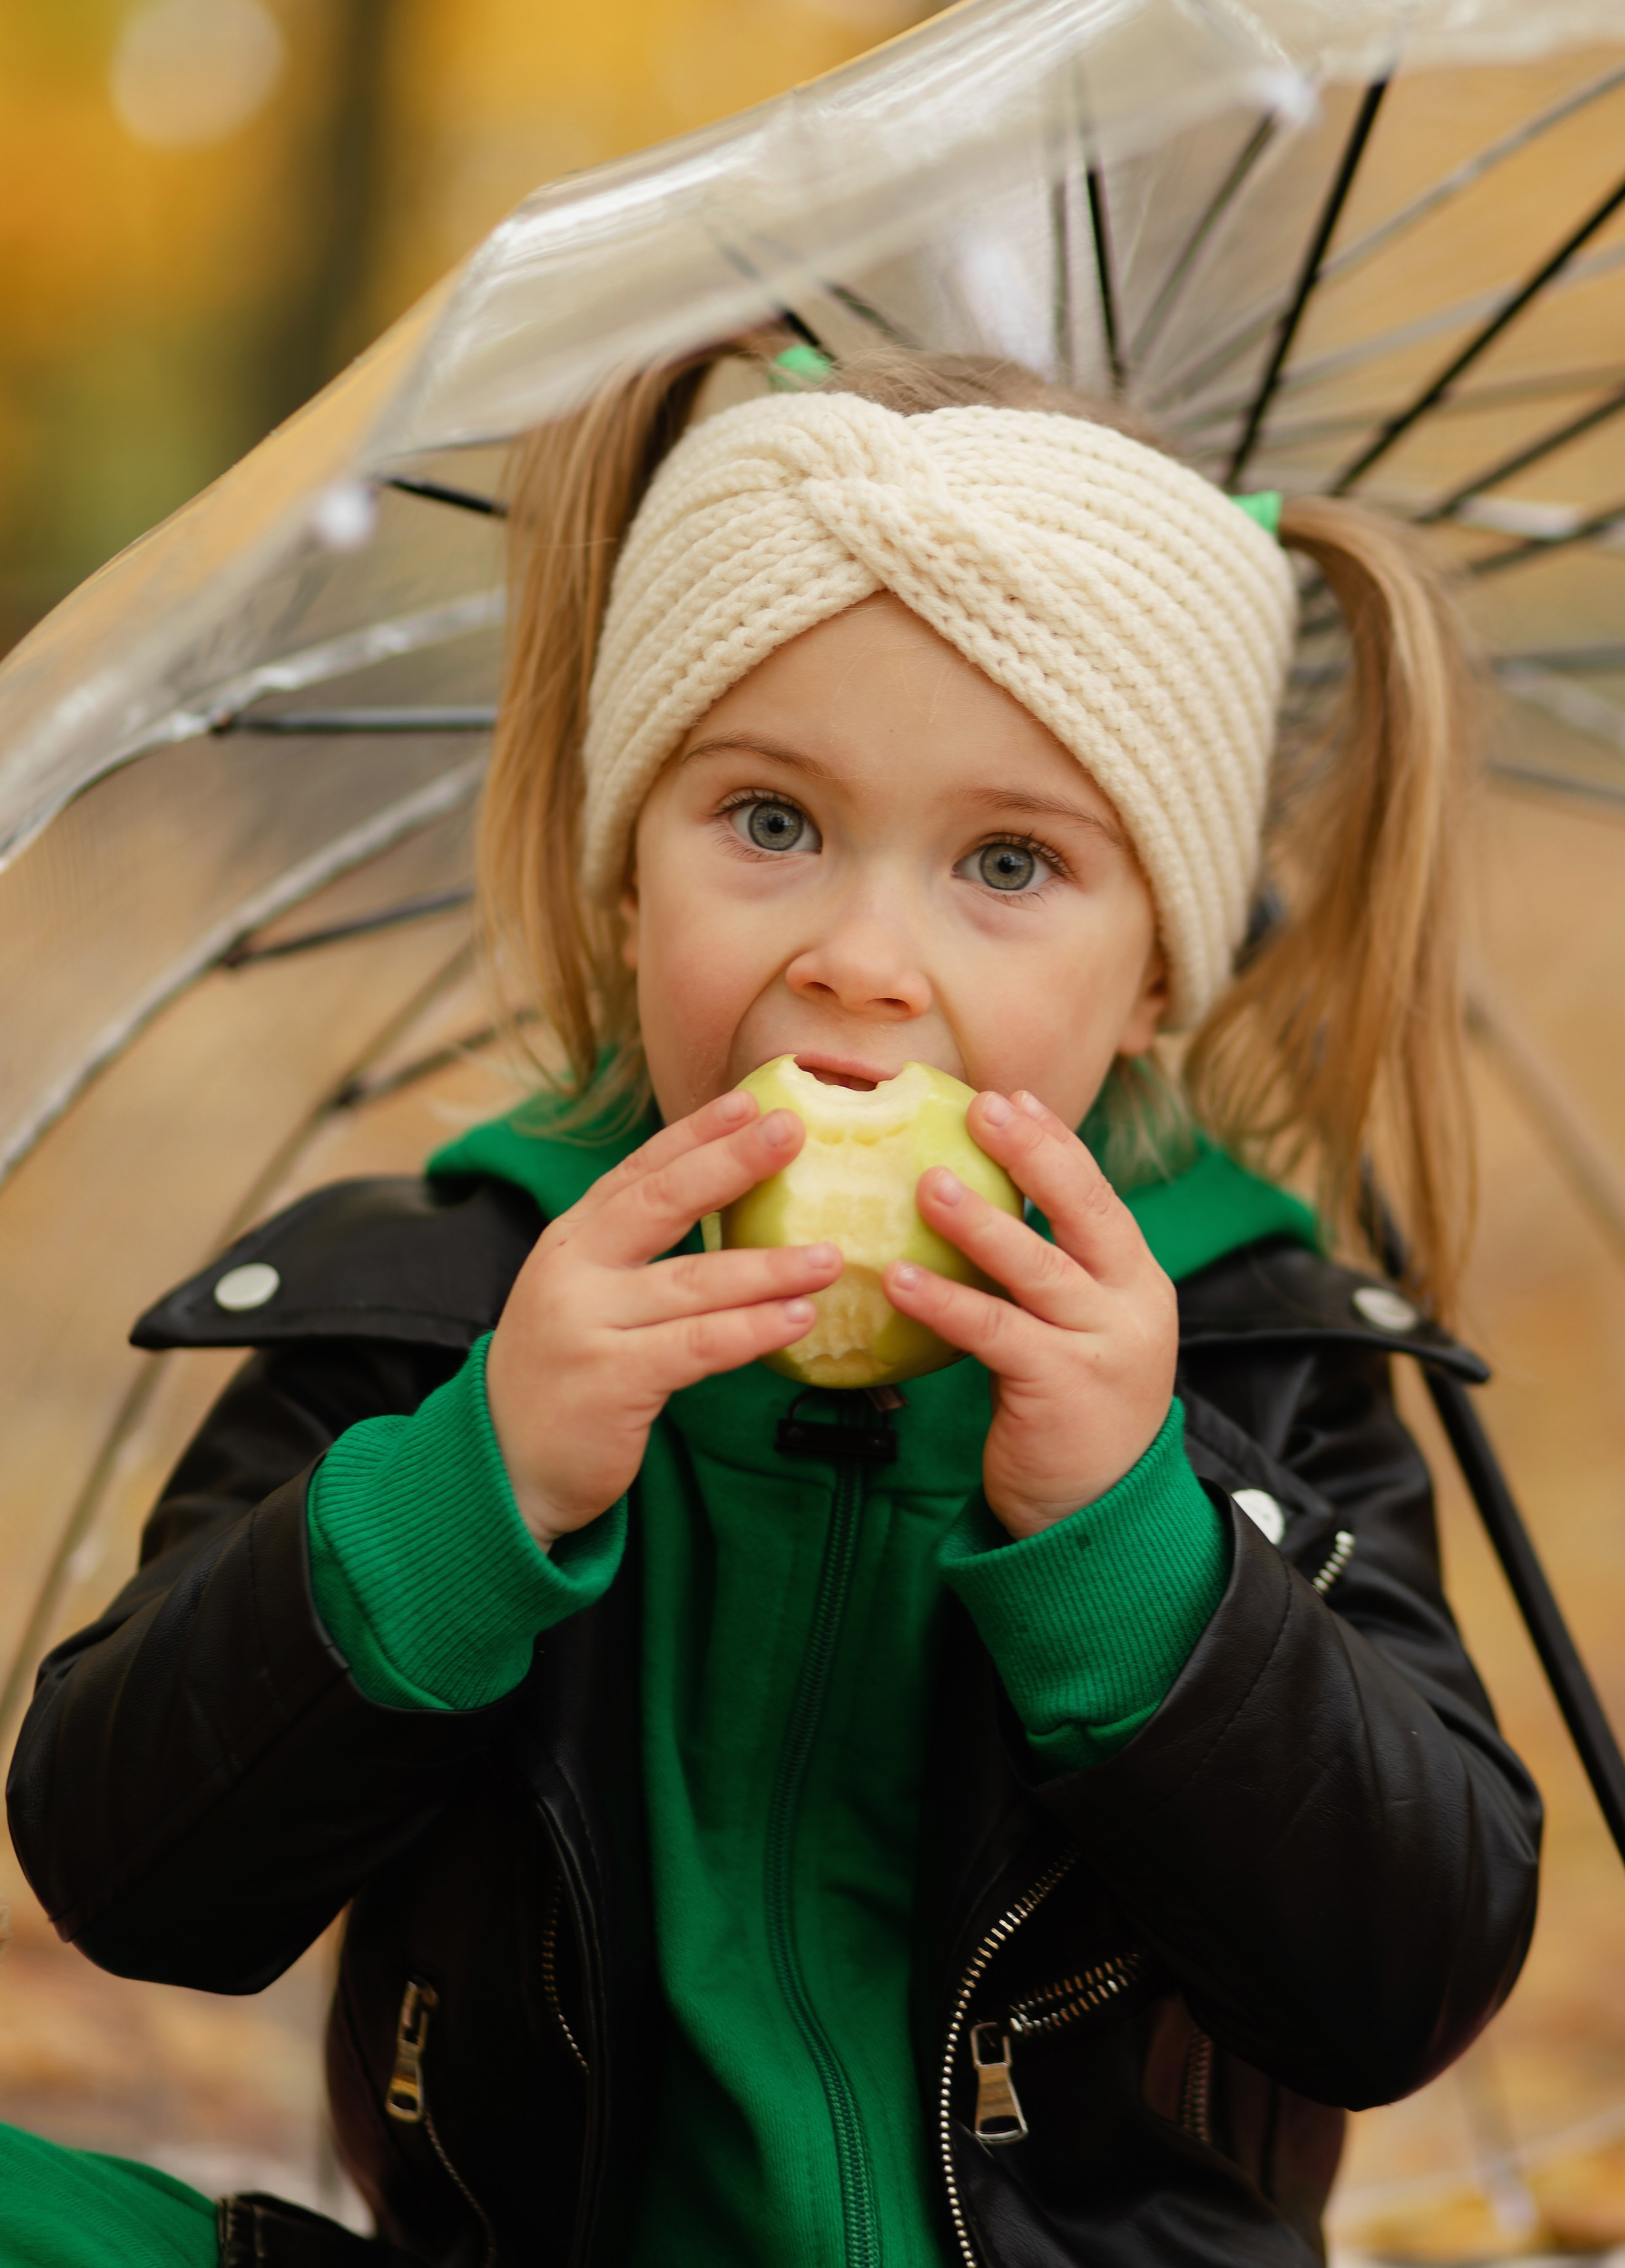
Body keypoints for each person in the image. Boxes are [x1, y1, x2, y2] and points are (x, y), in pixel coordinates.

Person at [7, 341, 1541, 2268]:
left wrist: (1136, 1544)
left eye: (1009, 862)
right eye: (769, 821)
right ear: (629, 870)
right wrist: (475, 1493)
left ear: (1159, 971)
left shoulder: (1258, 1375)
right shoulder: (443, 1312)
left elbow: (1400, 1978)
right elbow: (130, 1872)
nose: (862, 959)